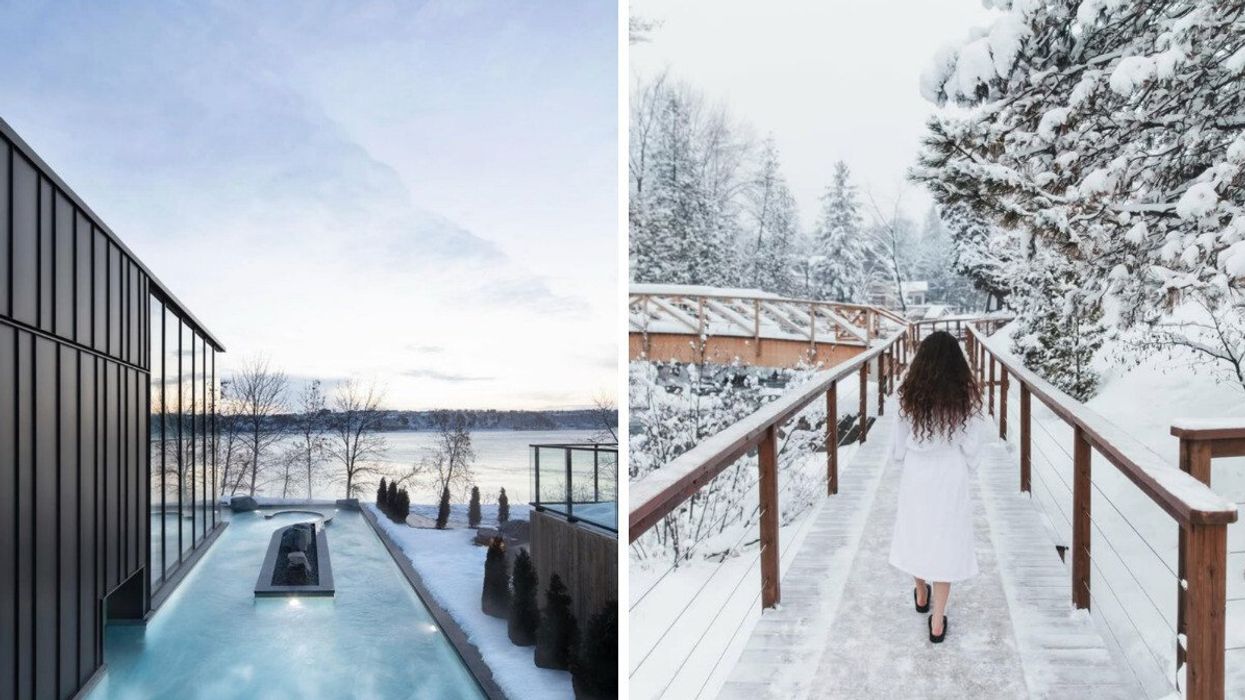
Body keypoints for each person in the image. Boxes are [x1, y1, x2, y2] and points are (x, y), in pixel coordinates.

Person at [887, 330, 985, 643]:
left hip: (918, 474)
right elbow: (972, 450)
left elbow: (898, 449)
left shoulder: (908, 394)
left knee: (917, 535)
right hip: (950, 475)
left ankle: (920, 591)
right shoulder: (964, 398)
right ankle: (938, 621)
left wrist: (906, 456)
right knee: (947, 543)